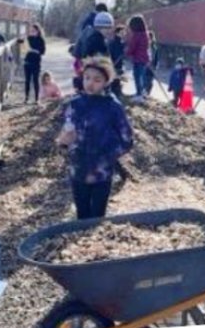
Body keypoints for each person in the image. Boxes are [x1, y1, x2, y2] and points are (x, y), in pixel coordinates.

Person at [55, 57, 134, 220]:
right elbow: (66, 131)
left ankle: (94, 241)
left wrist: (109, 154)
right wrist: (64, 143)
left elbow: (127, 139)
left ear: (106, 82)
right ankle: (81, 242)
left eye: (97, 80)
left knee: (97, 216)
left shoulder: (112, 106)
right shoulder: (75, 104)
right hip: (78, 168)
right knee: (82, 214)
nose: (90, 83)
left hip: (101, 171)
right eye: (87, 78)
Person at [126, 15, 152, 101]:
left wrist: (126, 52)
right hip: (144, 59)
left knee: (137, 77)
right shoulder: (145, 34)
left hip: (138, 59)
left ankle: (139, 94)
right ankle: (142, 92)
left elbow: (132, 47)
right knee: (142, 76)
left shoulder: (136, 35)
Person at [23, 23, 46, 102]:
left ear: (38, 31)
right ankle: (26, 98)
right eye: (31, 30)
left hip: (36, 63)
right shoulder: (28, 38)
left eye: (33, 30)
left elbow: (43, 52)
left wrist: (34, 50)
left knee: (35, 80)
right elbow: (23, 46)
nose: (32, 32)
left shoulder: (41, 40)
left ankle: (36, 99)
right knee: (27, 80)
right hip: (27, 62)